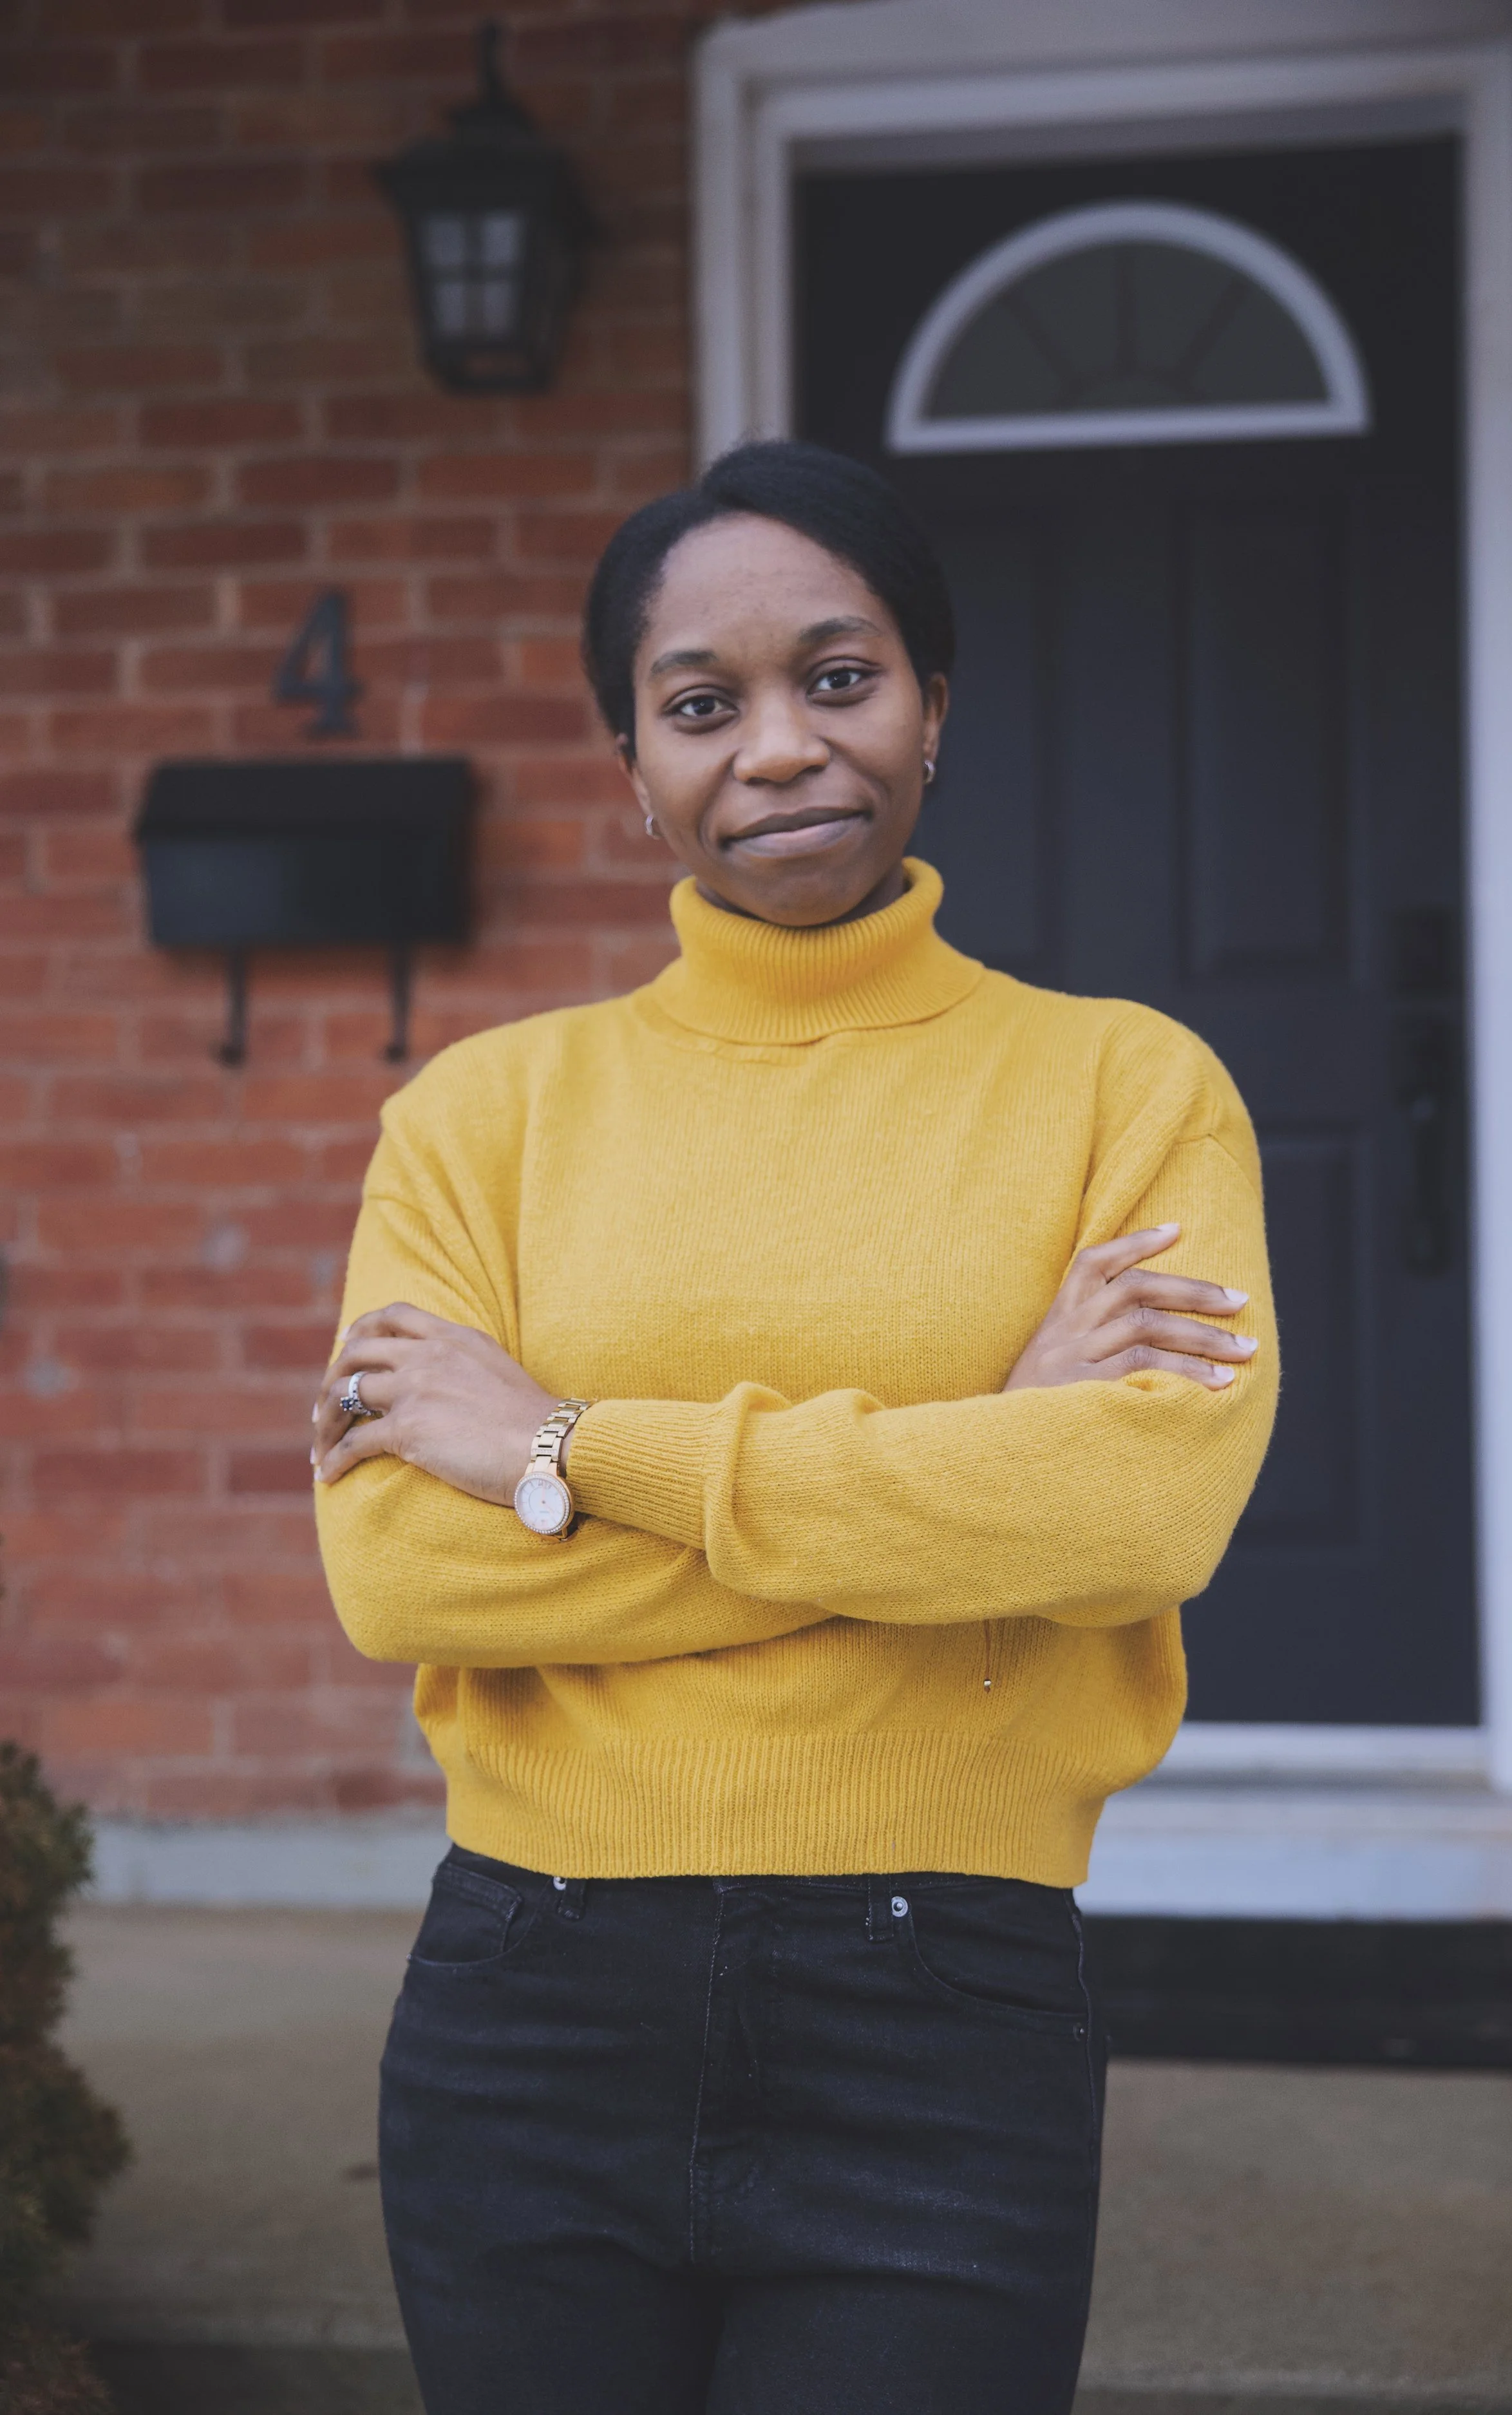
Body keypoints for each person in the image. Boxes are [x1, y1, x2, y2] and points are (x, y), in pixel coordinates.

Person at [311, 438, 1277, 2415]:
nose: (775, 747)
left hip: (941, 2009)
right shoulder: (477, 1121)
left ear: (934, 706)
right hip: (529, 2008)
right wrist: (958, 1470)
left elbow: (1133, 1514)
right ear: (632, 764)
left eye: (837, 678)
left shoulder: (1122, 1088)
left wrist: (567, 1451)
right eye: (701, 703)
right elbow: (399, 1562)